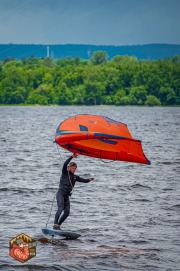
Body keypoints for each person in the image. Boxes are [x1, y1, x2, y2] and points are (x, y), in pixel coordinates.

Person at [53, 153, 94, 230]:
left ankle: (58, 225)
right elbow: (65, 164)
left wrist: (89, 180)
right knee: (60, 208)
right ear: (69, 168)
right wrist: (71, 157)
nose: (74, 169)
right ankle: (55, 224)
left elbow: (83, 180)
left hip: (67, 195)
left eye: (75, 168)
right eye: (72, 168)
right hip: (60, 193)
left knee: (67, 212)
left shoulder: (75, 177)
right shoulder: (65, 173)